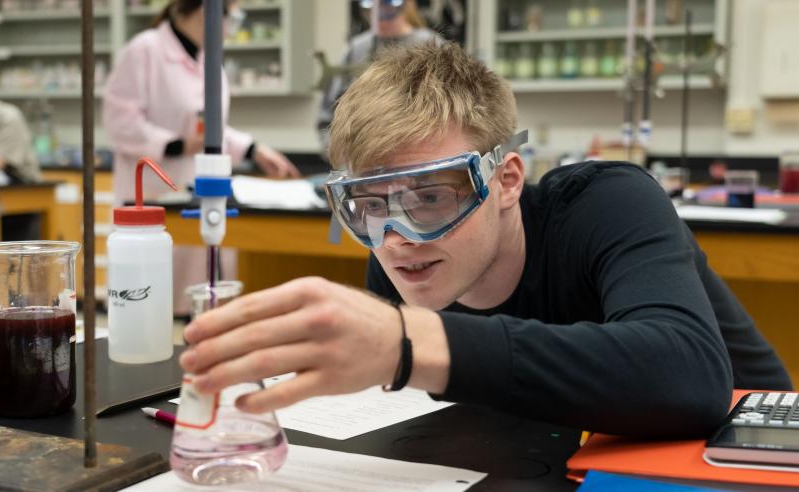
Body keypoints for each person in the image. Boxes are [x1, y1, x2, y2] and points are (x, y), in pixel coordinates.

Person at [179, 42, 792, 438]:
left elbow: (688, 374)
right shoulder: (404, 261)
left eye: (430, 196)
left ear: (505, 180)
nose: (397, 240)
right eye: (368, 206)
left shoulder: (608, 203)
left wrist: (406, 342)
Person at [103, 0, 300, 314]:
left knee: (202, 291)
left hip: (201, 187)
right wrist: (177, 145)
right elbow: (119, 120)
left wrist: (253, 148)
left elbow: (212, 127)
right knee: (153, 300)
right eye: (231, 17)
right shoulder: (145, 50)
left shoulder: (210, 59)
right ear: (205, 11)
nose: (231, 27)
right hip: (154, 191)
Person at [317, 0, 441, 157]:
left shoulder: (429, 45)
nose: (378, 16)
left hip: (420, 157)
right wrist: (337, 155)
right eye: (372, 8)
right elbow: (327, 115)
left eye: (387, 7)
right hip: (362, 162)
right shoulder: (357, 49)